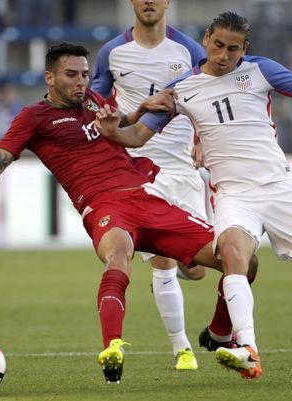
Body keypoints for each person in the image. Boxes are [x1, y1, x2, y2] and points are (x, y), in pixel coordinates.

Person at [94, 11, 292, 380]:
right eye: (218, 45)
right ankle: (247, 348)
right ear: (206, 39)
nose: (223, 55)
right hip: (234, 194)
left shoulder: (260, 71)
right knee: (234, 257)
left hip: (280, 191)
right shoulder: (181, 89)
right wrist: (113, 133)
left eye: (233, 49)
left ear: (244, 49)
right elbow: (139, 136)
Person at [0, 42, 256, 384]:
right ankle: (112, 348)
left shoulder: (94, 102)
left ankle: (220, 333)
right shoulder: (33, 117)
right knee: (119, 256)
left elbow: (119, 127)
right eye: (71, 75)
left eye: (86, 74)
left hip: (147, 198)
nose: (81, 81)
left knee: (242, 259)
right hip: (103, 207)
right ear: (50, 77)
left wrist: (137, 113)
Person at [91, 0, 209, 371]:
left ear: (168, 2)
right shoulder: (112, 53)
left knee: (198, 268)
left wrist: (204, 139)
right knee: (162, 261)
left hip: (184, 170)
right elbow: (96, 103)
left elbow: (212, 97)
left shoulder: (191, 51)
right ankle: (182, 349)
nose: (148, 2)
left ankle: (182, 270)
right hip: (139, 170)